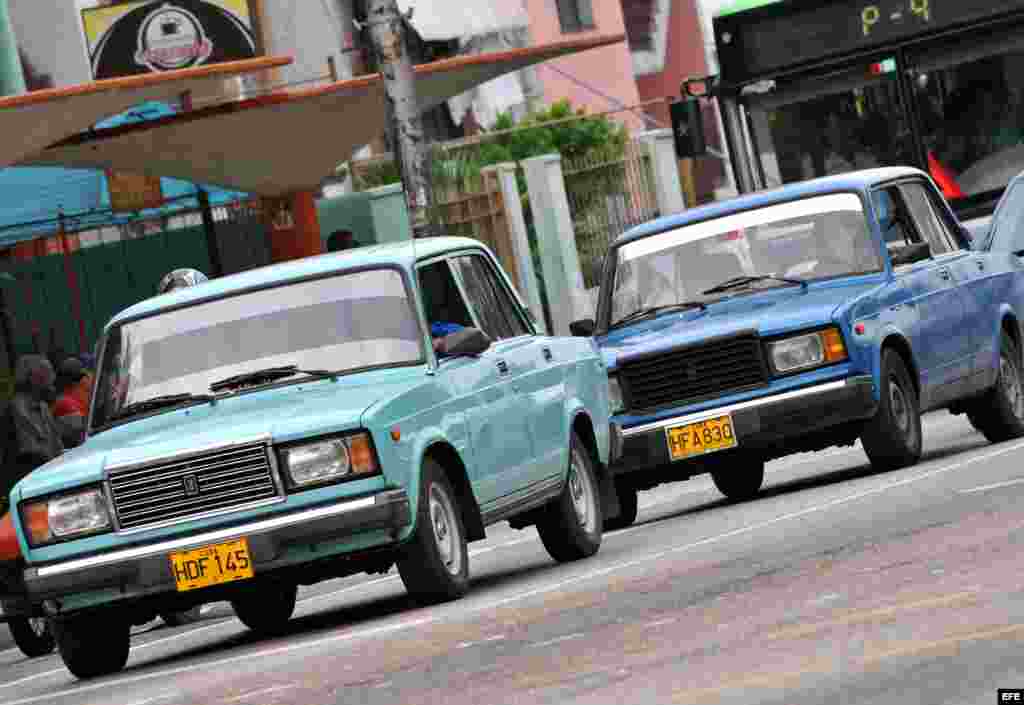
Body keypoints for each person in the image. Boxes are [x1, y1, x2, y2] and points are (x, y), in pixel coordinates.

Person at [1, 356, 64, 506]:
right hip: (29, 487)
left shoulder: (43, 407)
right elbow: (32, 453)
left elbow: (56, 446)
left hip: (49, 479)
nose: (53, 378)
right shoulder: (16, 410)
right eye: (47, 373)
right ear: (33, 378)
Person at [52, 357, 90, 448]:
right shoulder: (64, 403)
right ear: (80, 380)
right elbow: (84, 428)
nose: (89, 378)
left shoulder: (81, 398)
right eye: (86, 376)